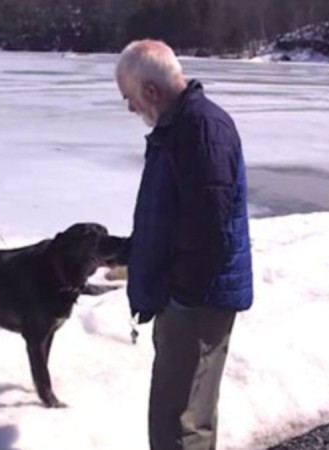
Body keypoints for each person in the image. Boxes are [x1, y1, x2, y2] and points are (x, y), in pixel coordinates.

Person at [114, 39, 254, 450]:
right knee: (183, 413)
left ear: (151, 91)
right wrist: (132, 253)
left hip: (197, 303)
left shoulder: (201, 129)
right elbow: (172, 214)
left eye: (130, 97)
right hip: (186, 299)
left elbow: (208, 229)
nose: (129, 107)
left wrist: (182, 298)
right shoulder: (178, 127)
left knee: (178, 422)